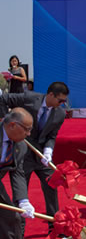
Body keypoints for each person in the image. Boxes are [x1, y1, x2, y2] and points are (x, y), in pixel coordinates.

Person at [2, 82, 69, 227]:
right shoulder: (30, 98)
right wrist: (4, 120)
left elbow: (52, 135)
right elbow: (4, 98)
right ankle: (18, 228)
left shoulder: (60, 114)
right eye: (60, 100)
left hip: (41, 156)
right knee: (20, 191)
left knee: (51, 185)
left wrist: (48, 151)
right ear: (51, 95)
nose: (62, 104)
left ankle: (55, 226)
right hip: (22, 154)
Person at [0, 108, 39, 239]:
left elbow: (18, 172)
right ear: (13, 125)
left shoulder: (21, 146)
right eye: (27, 129)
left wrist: (23, 200)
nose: (29, 134)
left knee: (12, 217)